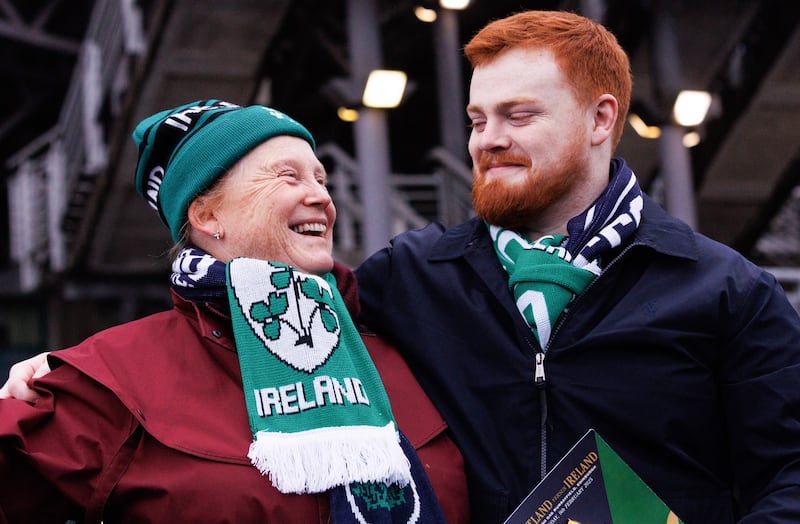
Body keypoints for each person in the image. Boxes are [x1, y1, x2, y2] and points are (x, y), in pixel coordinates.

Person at [352, 9, 800, 524]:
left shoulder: (728, 291)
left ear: (601, 119)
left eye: (518, 116)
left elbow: (790, 474)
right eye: (478, 120)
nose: (486, 140)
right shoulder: (408, 277)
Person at [0, 100, 468, 523]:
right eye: (288, 176)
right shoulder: (112, 375)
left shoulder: (402, 339)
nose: (322, 197)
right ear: (206, 217)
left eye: (320, 178)